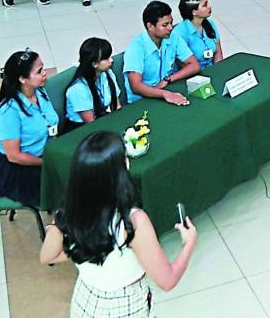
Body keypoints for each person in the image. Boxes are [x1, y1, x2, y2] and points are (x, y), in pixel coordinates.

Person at [39, 131, 198, 315]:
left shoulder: (68, 212)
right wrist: (189, 243)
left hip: (85, 301)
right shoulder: (133, 221)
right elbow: (167, 280)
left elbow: (47, 256)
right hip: (126, 305)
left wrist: (83, 246)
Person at [0, 49, 59, 206]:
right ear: (22, 79)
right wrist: (46, 162)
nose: (45, 73)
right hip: (19, 167)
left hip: (44, 153)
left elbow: (50, 124)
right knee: (66, 189)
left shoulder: (39, 92)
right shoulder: (9, 112)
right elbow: (14, 156)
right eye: (39, 71)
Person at [123, 1, 201, 105]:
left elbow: (194, 65)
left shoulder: (173, 37)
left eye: (171, 23)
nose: (170, 28)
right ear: (150, 26)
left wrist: (167, 80)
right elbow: (136, 86)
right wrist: (165, 94)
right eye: (165, 25)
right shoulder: (136, 48)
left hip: (166, 91)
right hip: (142, 100)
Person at [64, 38, 120, 127]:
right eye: (106, 58)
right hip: (82, 129)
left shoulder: (107, 73)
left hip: (103, 121)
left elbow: (117, 106)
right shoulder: (78, 89)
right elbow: (92, 123)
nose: (111, 60)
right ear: (94, 64)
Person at [173, 0, 224, 71]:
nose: (209, 6)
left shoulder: (210, 23)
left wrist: (217, 70)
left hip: (211, 70)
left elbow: (218, 52)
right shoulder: (179, 33)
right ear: (194, 12)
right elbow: (184, 65)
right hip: (192, 75)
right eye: (205, 5)